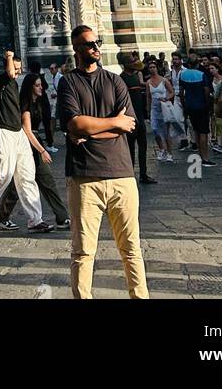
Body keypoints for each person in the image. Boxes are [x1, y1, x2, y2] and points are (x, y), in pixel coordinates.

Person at [57, 25, 148, 299]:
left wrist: (90, 130)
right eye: (89, 43)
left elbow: (129, 124)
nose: (96, 46)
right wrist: (112, 123)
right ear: (76, 48)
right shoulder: (68, 82)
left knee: (131, 247)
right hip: (85, 177)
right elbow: (75, 123)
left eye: (97, 41)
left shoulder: (115, 80)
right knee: (83, 251)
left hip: (121, 174)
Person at [0, 51, 53, 234]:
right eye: (16, 68)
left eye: (19, 68)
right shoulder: (0, 80)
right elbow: (8, 73)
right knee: (4, 176)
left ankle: (35, 220)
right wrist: (9, 57)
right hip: (3, 132)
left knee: (27, 176)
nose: (18, 72)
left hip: (18, 134)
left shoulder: (14, 84)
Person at [0, 73, 70, 227]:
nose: (41, 87)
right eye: (37, 85)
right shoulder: (26, 104)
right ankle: (2, 216)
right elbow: (27, 130)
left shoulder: (38, 102)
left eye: (41, 84)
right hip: (26, 144)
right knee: (18, 184)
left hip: (34, 143)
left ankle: (61, 217)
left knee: (46, 180)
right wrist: (42, 150)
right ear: (30, 87)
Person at [120, 56, 154, 184]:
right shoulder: (121, 78)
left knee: (143, 146)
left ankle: (143, 174)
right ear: (125, 64)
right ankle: (130, 174)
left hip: (139, 115)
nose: (134, 63)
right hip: (130, 117)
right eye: (131, 62)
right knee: (130, 148)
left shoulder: (136, 76)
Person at [178, 56, 215, 166]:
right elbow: (206, 91)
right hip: (201, 106)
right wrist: (208, 105)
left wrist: (184, 105)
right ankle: (205, 157)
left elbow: (181, 93)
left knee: (196, 131)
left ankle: (199, 155)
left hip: (190, 106)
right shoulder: (201, 75)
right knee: (203, 132)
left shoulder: (182, 75)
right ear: (197, 64)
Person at [146, 62, 177, 162]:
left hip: (163, 107)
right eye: (150, 67)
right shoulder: (148, 82)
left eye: (154, 67)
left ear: (157, 68)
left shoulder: (164, 80)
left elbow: (172, 92)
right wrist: (148, 109)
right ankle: (161, 149)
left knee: (165, 131)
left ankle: (170, 153)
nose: (152, 69)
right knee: (155, 130)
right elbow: (148, 97)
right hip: (154, 109)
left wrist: (166, 98)